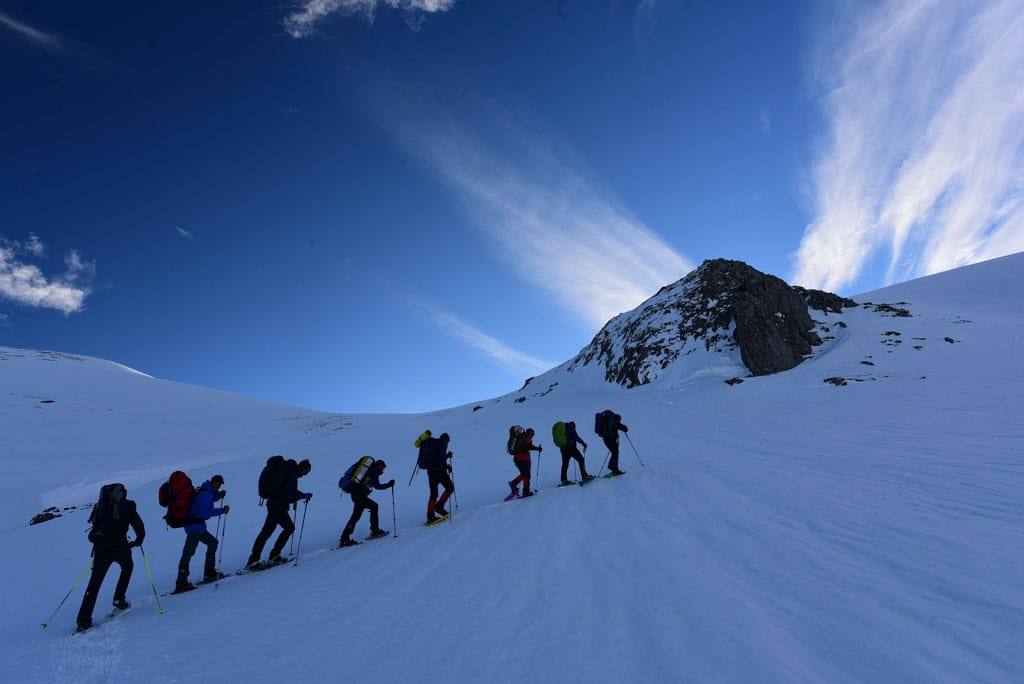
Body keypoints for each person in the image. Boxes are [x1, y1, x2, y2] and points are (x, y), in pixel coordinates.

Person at [76, 483, 145, 632]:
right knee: (127, 566)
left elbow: (93, 534)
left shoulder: (101, 506)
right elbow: (139, 526)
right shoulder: (127, 506)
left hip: (101, 548)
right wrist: (138, 540)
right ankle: (119, 598)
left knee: (94, 582)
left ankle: (83, 620)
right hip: (121, 545)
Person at [247, 458, 312, 568]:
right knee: (285, 528)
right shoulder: (292, 474)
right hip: (278, 506)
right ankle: (259, 559)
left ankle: (261, 558)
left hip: (274, 504)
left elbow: (287, 491)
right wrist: (302, 496)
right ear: (304, 469)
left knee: (270, 531)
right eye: (306, 473)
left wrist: (302, 494)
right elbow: (290, 496)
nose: (304, 475)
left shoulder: (288, 471)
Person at [175, 475, 229, 592]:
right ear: (213, 482)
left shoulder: (206, 490)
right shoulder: (206, 493)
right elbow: (206, 512)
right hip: (195, 527)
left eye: (220, 484)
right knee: (188, 553)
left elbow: (210, 498)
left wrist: (219, 495)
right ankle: (181, 582)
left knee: (213, 543)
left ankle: (209, 572)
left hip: (197, 526)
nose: (219, 486)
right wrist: (222, 511)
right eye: (218, 483)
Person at [339, 458, 395, 547]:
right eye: (382, 468)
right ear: (379, 466)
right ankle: (346, 538)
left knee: (371, 508)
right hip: (359, 496)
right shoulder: (374, 471)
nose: (383, 470)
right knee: (358, 515)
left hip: (357, 495)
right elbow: (378, 486)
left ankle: (346, 537)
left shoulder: (369, 470)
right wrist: (389, 484)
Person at [422, 433, 454, 524]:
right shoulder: (442, 444)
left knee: (433, 494)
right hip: (440, 472)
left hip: (431, 472)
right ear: (446, 440)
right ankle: (439, 506)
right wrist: (447, 461)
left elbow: (438, 459)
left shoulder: (433, 445)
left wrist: (446, 464)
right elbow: (440, 459)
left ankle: (430, 515)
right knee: (450, 488)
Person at [508, 428, 542, 498]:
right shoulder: (526, 438)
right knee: (526, 475)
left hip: (518, 459)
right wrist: (537, 448)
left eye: (533, 435)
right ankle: (524, 490)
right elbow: (529, 446)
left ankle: (515, 484)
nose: (532, 436)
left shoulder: (523, 438)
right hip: (523, 459)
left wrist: (537, 448)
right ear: (529, 433)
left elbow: (527, 446)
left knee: (525, 474)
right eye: (532, 434)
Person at [560, 421, 593, 485]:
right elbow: (576, 437)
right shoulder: (571, 428)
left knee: (565, 464)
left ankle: (564, 480)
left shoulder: (564, 429)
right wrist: (583, 444)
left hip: (563, 449)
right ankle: (584, 476)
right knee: (581, 460)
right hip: (571, 448)